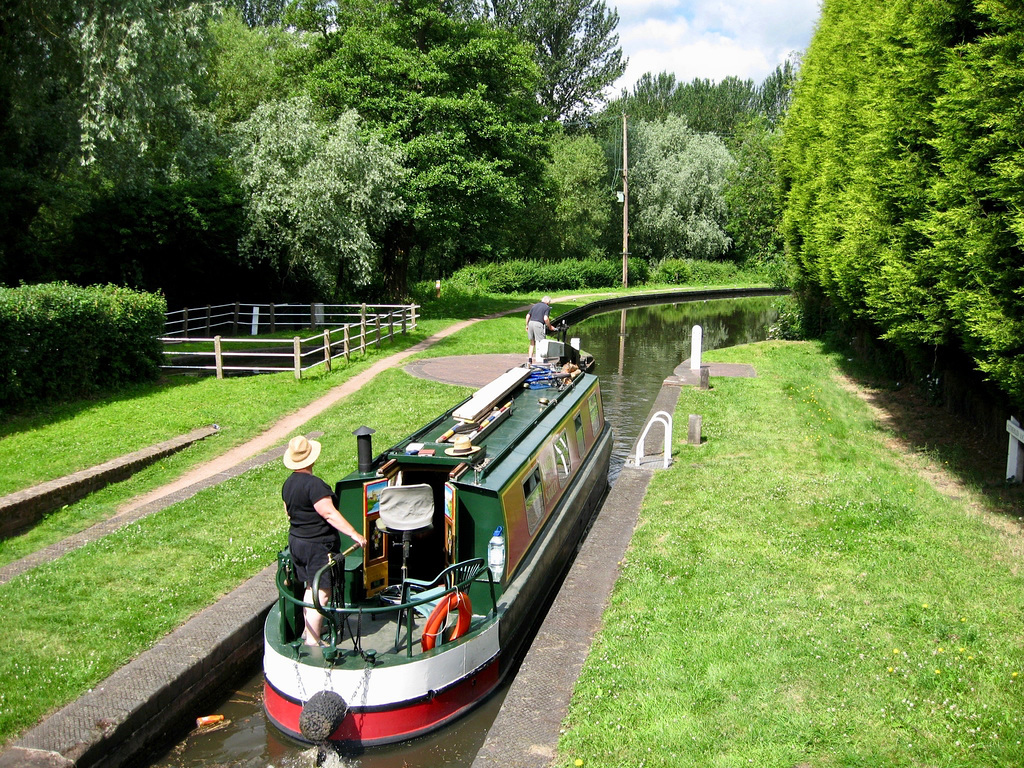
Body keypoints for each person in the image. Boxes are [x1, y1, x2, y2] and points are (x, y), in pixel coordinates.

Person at [281, 435, 367, 646]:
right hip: (318, 547)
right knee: (322, 593)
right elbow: (329, 513)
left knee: (311, 587)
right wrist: (354, 534)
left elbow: (288, 513)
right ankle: (313, 640)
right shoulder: (315, 485)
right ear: (311, 459)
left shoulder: (288, 484)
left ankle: (307, 632)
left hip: (297, 543)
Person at [526, 295, 557, 363]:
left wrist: (527, 325)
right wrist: (550, 326)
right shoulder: (547, 307)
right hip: (538, 324)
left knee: (532, 342)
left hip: (531, 323)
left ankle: (530, 359)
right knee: (541, 341)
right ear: (548, 302)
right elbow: (545, 318)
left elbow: (528, 315)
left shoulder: (535, 305)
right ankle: (541, 359)